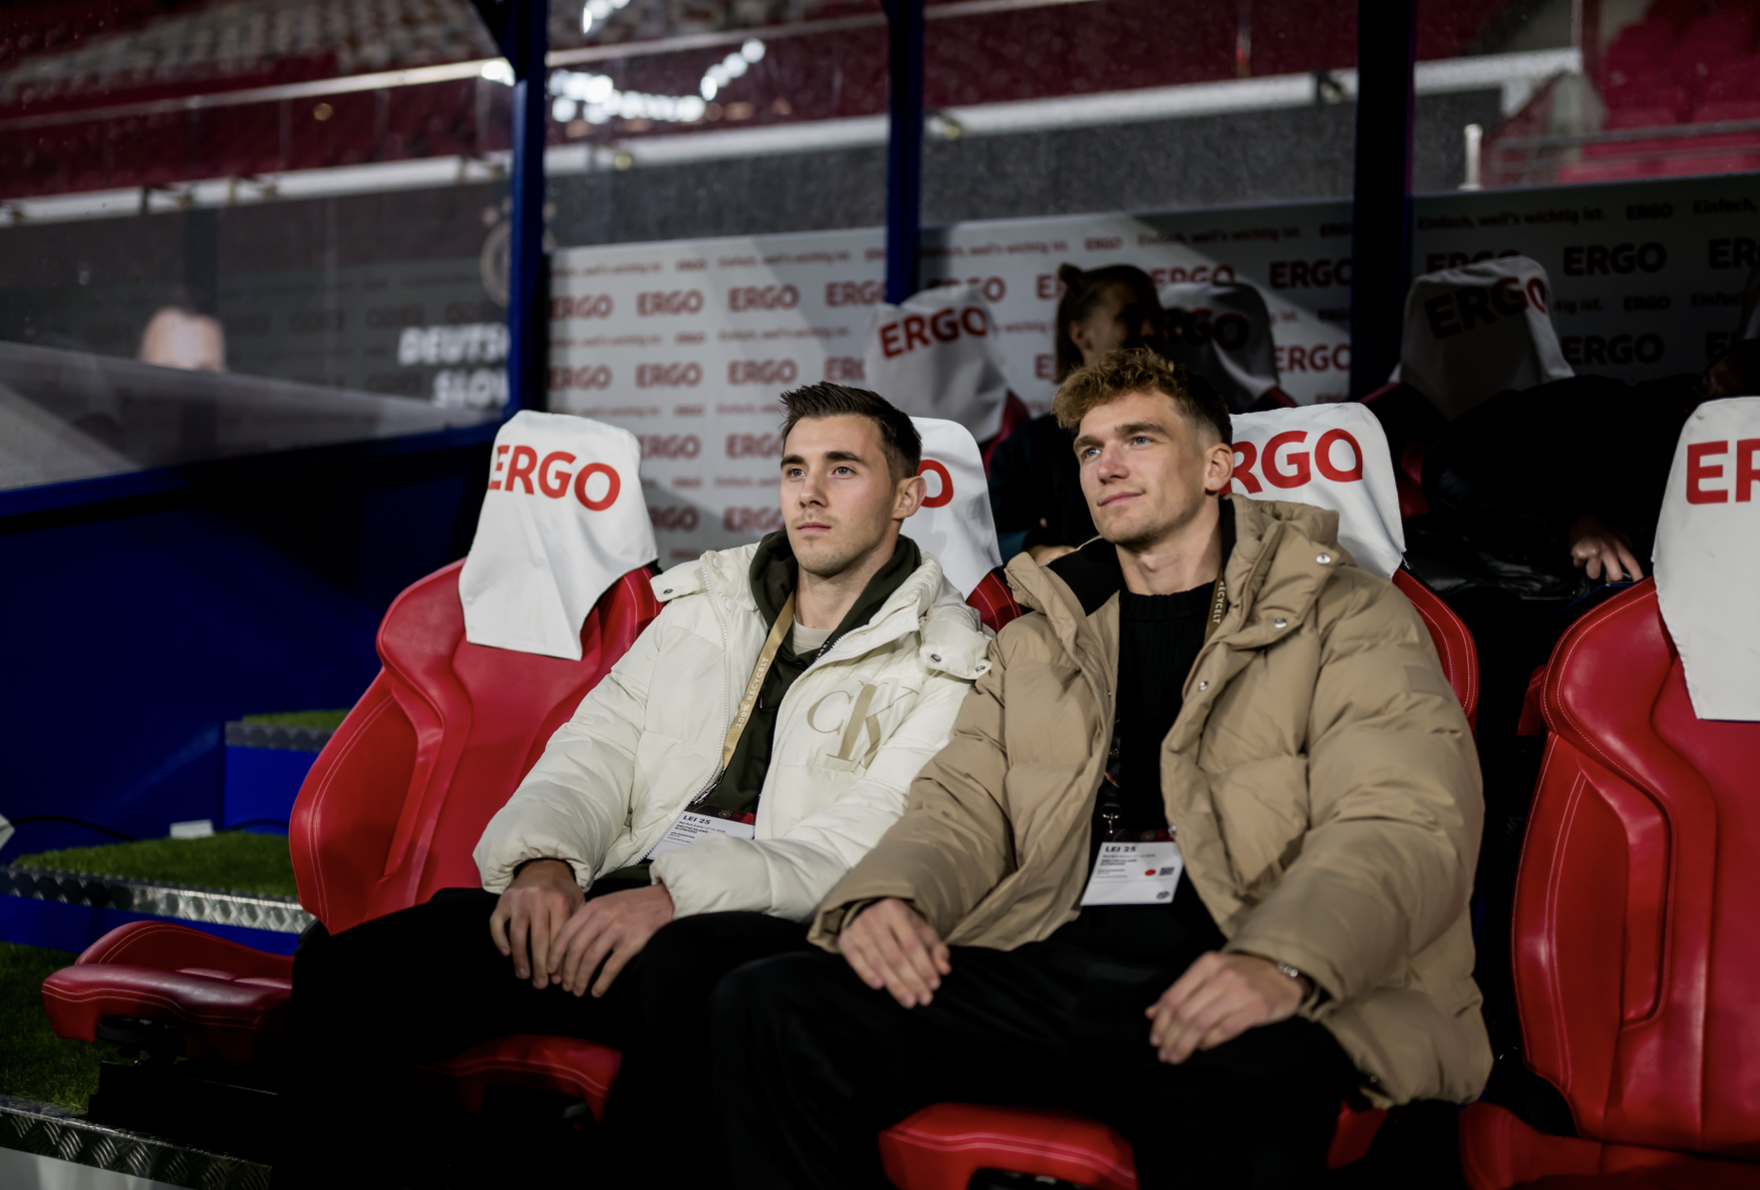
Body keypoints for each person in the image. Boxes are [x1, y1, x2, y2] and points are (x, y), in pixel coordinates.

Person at [716, 348, 1489, 1190]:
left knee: (1248, 1079)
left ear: (1218, 468)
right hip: (1052, 959)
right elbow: (959, 808)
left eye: (1140, 440)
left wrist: (1281, 961)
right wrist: (890, 897)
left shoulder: (1348, 616)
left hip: (1244, 963)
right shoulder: (1039, 636)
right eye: (1090, 448)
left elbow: (1401, 821)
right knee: (770, 1004)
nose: (1108, 466)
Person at [275, 384, 992, 1187]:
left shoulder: (951, 656)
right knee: (344, 971)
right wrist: (545, 863)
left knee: (689, 972)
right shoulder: (706, 603)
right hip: (608, 901)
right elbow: (594, 752)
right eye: (795, 469)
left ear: (907, 497)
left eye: (843, 469)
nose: (810, 493)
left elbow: (867, 838)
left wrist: (675, 897)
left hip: (759, 924)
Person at [990, 264, 1162, 565]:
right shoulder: (1024, 450)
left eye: (1157, 318)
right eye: (1130, 318)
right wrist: (1038, 550)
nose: (1151, 331)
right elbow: (993, 538)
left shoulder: (1187, 426)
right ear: (1080, 333)